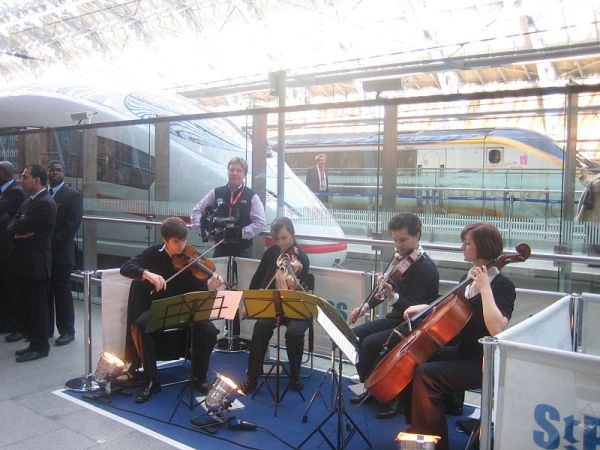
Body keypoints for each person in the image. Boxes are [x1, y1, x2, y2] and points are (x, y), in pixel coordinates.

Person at [404, 223, 516, 450]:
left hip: (483, 361)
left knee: (427, 375)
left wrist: (485, 289)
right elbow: (451, 308)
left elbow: (498, 329)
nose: (461, 248)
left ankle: (435, 443)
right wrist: (425, 307)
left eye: (467, 243)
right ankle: (421, 428)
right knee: (415, 358)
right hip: (464, 350)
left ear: (483, 246)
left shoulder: (502, 285)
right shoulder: (468, 277)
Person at [120, 217, 225, 403]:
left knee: (209, 331)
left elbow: (197, 290)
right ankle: (152, 380)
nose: (181, 246)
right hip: (161, 308)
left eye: (184, 240)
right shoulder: (153, 253)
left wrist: (210, 286)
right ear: (165, 240)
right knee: (141, 325)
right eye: (176, 242)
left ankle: (199, 378)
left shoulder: (191, 257)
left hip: (186, 308)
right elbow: (126, 267)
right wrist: (147, 274)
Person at [348, 212, 439, 418]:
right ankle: (370, 387)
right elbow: (383, 291)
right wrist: (364, 307)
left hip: (413, 325)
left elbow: (414, 310)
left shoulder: (426, 268)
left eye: (403, 240)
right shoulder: (401, 260)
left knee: (371, 344)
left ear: (417, 236)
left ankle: (392, 397)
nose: (398, 245)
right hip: (395, 320)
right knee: (355, 335)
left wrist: (393, 295)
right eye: (395, 240)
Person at [239, 217, 311, 394]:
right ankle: (252, 376)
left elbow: (303, 287)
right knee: (261, 327)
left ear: (292, 236)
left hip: (295, 307)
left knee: (294, 333)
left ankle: (295, 375)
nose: (281, 243)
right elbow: (257, 279)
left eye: (285, 238)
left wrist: (295, 279)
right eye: (278, 239)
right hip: (273, 305)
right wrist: (248, 303)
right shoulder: (271, 253)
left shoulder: (302, 257)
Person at [7, 164, 57, 362]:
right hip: (24, 262)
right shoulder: (29, 200)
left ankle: (40, 346)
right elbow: (13, 226)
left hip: (36, 263)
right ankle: (33, 342)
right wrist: (20, 229)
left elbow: (20, 224)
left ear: (37, 180)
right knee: (28, 305)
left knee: (38, 307)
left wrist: (20, 228)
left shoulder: (45, 203)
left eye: (26, 176)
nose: (22, 179)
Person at [190, 156, 266, 259]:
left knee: (244, 275)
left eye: (239, 170)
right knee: (217, 275)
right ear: (227, 172)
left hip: (243, 249)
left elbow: (260, 223)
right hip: (220, 247)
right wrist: (202, 230)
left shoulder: (252, 196)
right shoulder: (216, 192)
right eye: (232, 170)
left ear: (244, 175)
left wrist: (241, 233)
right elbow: (197, 211)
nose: (235, 173)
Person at [46, 161, 83, 346]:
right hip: (43, 254)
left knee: (62, 292)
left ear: (64, 173)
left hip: (61, 253)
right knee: (46, 292)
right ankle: (46, 329)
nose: (54, 173)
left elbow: (72, 225)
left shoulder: (72, 195)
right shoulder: (43, 194)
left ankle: (67, 331)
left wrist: (50, 243)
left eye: (58, 170)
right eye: (51, 170)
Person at [0, 161, 27, 338]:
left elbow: (5, 213)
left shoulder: (16, 192)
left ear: (6, 172)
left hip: (8, 249)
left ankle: (11, 324)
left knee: (9, 288)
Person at [577, 167, 600, 261]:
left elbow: (594, 187)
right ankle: (593, 259)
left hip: (593, 217)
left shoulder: (597, 181)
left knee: (593, 239)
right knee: (592, 238)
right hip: (592, 217)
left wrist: (585, 175)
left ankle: (594, 260)